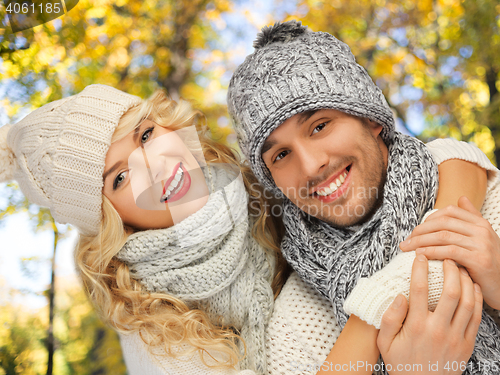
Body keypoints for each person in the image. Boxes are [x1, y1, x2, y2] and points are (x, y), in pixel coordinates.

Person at [0, 84, 488, 375]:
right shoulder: (157, 336)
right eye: (121, 177)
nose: (155, 164)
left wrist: (413, 268)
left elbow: (438, 158)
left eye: (146, 135)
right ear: (110, 221)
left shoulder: (259, 185)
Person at [227, 20, 500, 374]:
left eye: (320, 126)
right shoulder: (296, 326)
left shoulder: (486, 208)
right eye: (280, 155)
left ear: (370, 119)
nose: (310, 166)